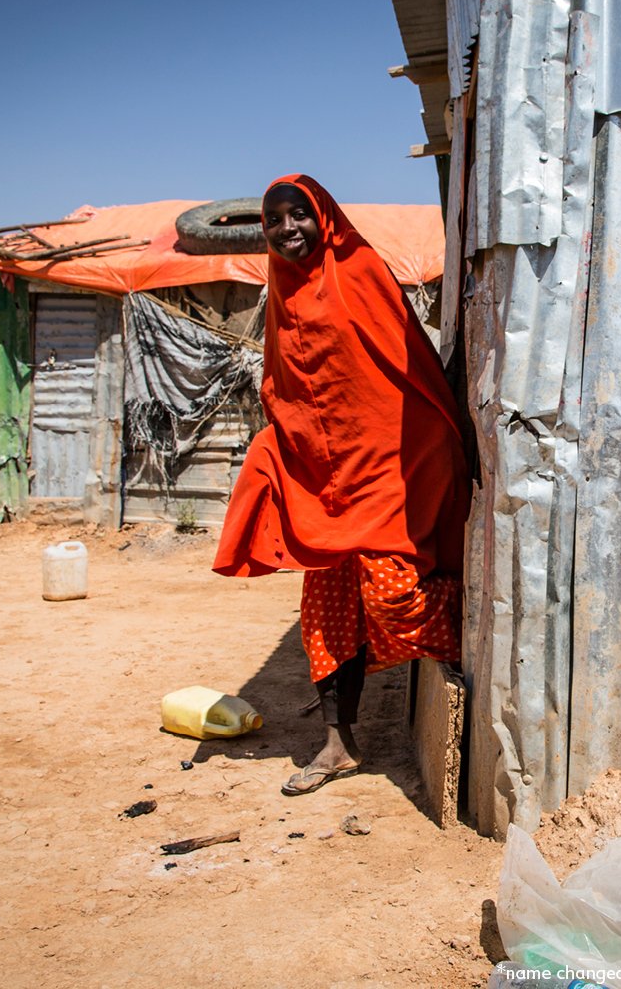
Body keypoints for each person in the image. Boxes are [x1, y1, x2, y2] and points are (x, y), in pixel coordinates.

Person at [213, 174, 470, 796]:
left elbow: (401, 361)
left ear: (322, 216)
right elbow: (287, 381)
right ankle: (338, 744)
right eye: (273, 220)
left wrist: (431, 446)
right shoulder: (281, 286)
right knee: (327, 615)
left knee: (394, 594)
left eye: (297, 215)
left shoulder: (357, 269)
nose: (285, 229)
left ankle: (467, 654)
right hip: (320, 475)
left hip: (384, 465)